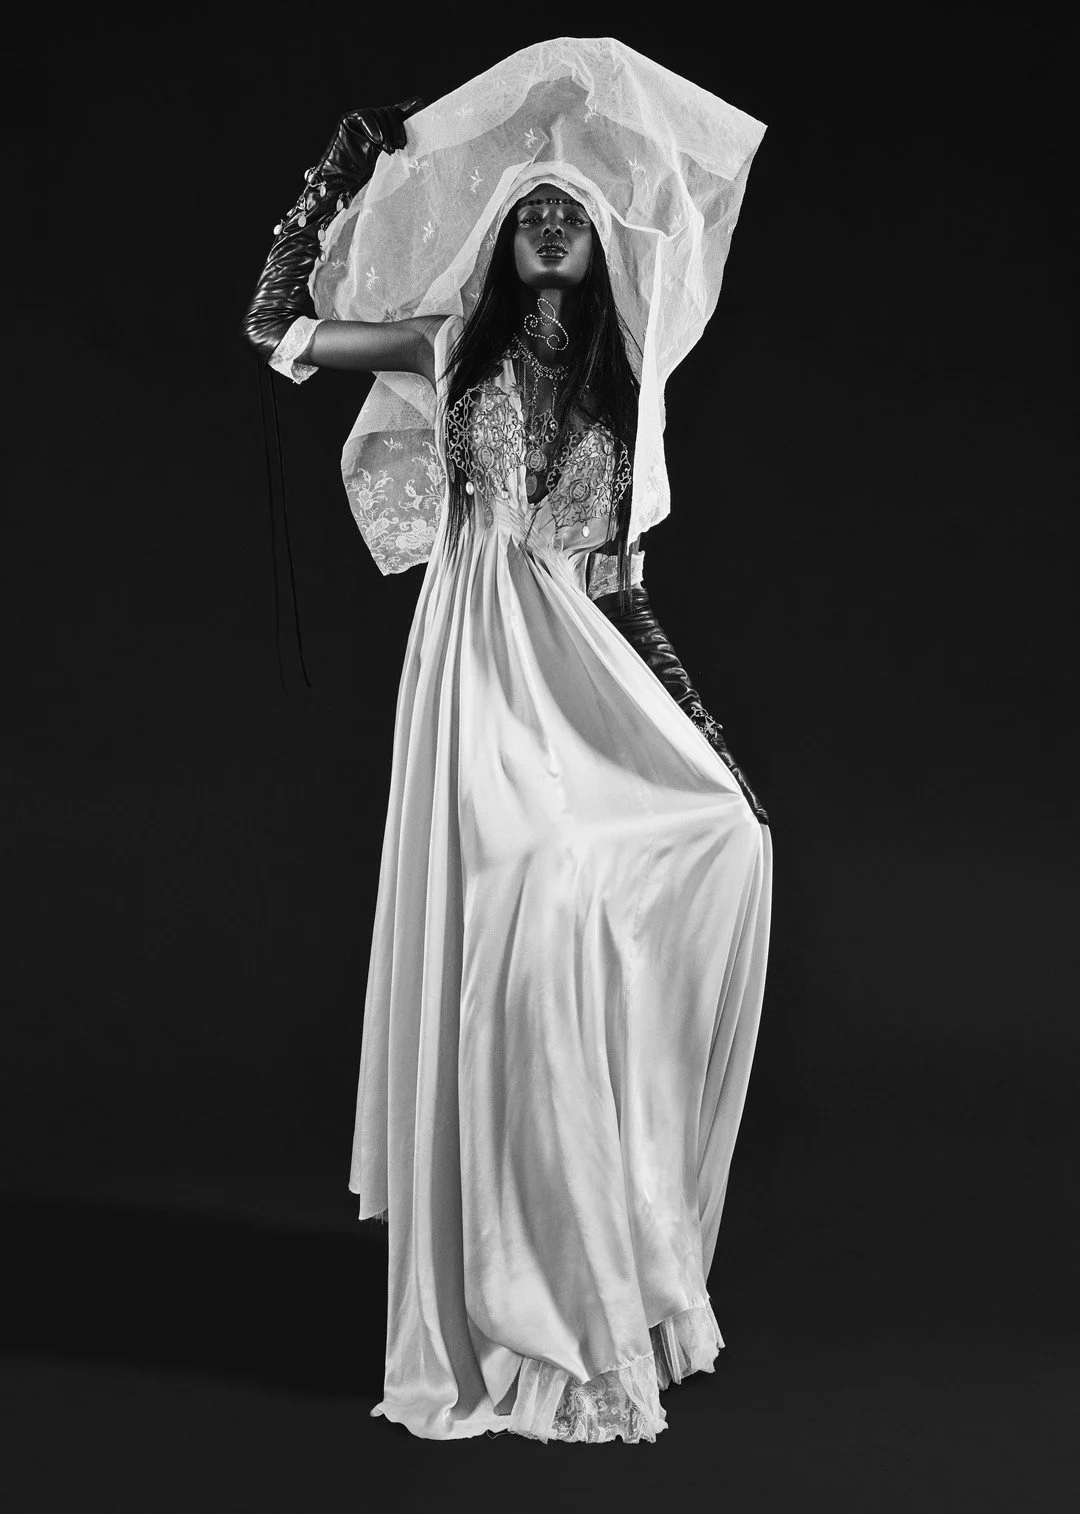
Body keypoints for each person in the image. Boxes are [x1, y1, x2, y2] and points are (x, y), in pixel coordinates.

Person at [243, 43, 773, 1444]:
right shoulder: (442, 345)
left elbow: (623, 591)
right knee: (525, 905)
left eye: (576, 210)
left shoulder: (617, 394)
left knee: (674, 859)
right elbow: (274, 333)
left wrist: (705, 733)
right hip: (476, 667)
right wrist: (330, 182)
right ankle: (502, 1305)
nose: (552, 218)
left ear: (602, 247)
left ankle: (594, 1270)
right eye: (533, 203)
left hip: (572, 664)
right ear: (506, 230)